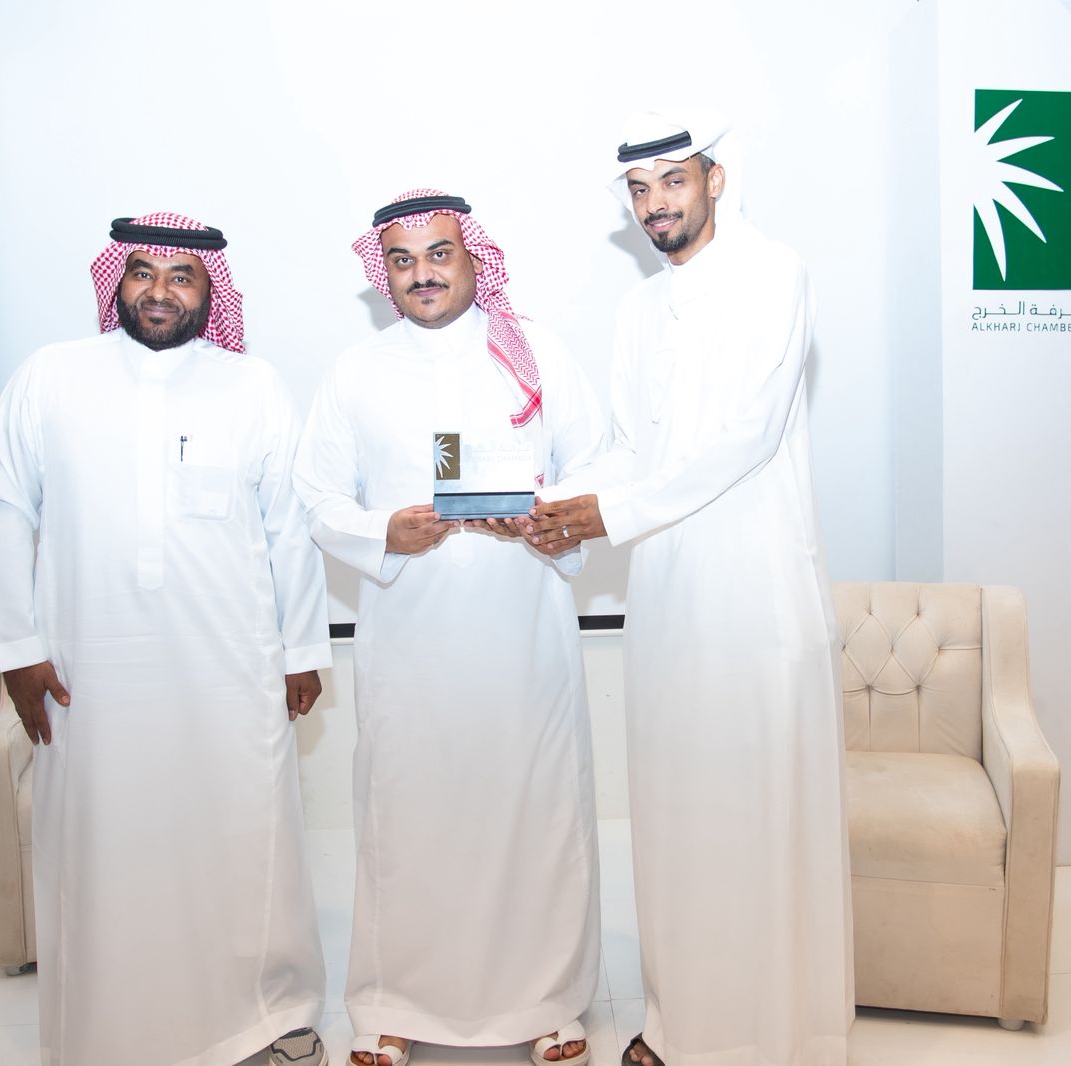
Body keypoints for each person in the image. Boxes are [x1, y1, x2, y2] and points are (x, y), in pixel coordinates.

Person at [527, 114, 854, 1066]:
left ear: (715, 177)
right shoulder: (639, 310)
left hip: (757, 595)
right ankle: (683, 1027)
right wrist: (552, 503)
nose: (655, 204)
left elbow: (746, 438)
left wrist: (607, 514)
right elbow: (635, 450)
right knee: (678, 819)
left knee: (760, 819)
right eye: (639, 189)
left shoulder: (775, 274)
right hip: (668, 595)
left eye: (673, 180)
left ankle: (776, 1039)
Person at [0, 213, 332, 1066]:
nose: (159, 291)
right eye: (142, 272)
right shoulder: (51, 378)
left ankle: (268, 1016)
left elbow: (291, 528)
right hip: (89, 672)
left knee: (243, 837)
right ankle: (109, 1028)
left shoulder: (253, 387)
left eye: (181, 276)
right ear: (117, 282)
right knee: (104, 847)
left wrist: (303, 648)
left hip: (230, 669)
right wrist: (17, 649)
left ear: (210, 292)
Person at [292, 190, 605, 1066]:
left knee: (535, 809)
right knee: (408, 814)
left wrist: (549, 517)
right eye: (402, 260)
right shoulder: (356, 372)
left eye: (439, 254)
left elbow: (597, 461)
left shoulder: (536, 351)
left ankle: (547, 1000)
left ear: (473, 258)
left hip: (524, 632)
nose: (421, 274)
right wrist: (381, 533)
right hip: (409, 638)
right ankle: (395, 1003)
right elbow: (317, 496)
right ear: (383, 272)